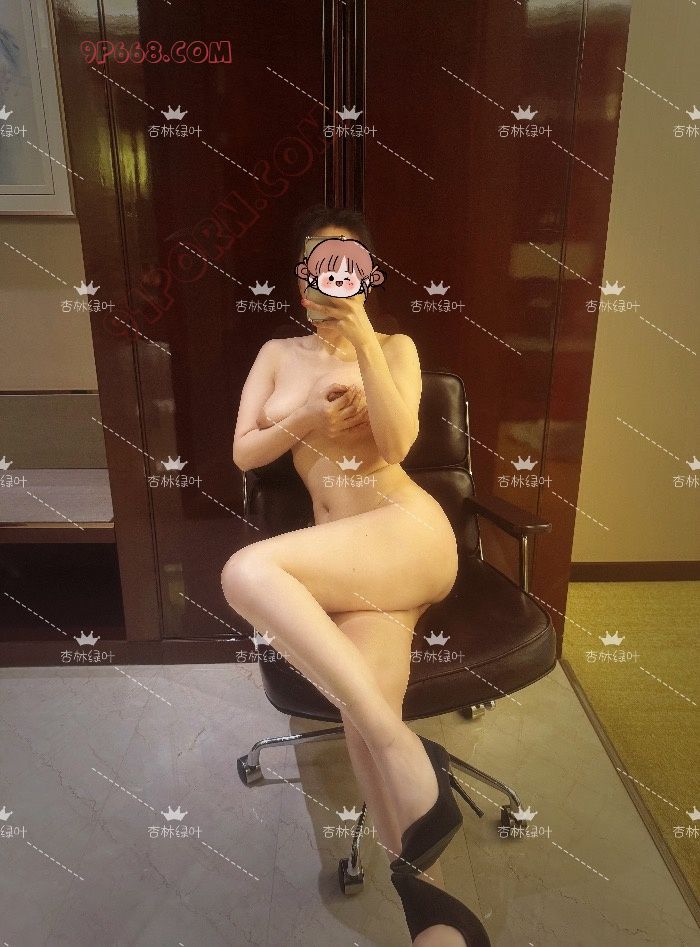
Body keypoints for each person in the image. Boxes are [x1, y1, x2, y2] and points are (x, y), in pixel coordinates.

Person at [221, 205, 490, 946]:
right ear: (299, 279)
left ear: (367, 276)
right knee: (363, 715)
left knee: (246, 571)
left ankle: (403, 750)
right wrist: (308, 414)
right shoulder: (277, 353)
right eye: (318, 266)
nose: (330, 280)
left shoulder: (395, 346)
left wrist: (364, 335)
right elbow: (244, 451)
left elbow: (399, 446)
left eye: (347, 266)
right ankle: (433, 911)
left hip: (406, 535)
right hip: (348, 560)